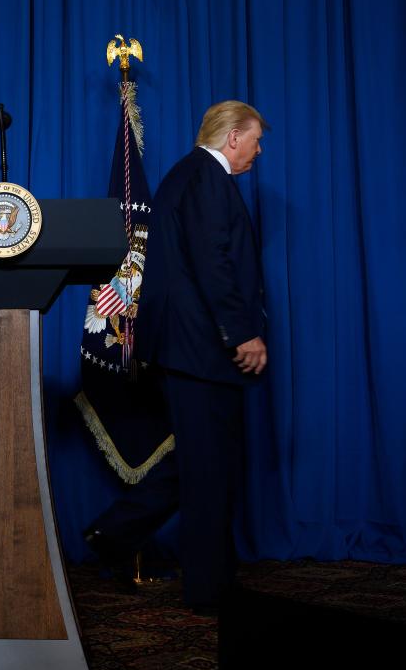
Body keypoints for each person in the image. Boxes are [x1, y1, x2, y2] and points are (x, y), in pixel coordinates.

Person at [83, 100, 268, 614]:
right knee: (210, 471)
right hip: (202, 349)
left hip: (185, 350)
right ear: (232, 137)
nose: (258, 151)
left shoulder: (181, 177)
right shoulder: (207, 179)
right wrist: (241, 333)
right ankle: (210, 593)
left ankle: (113, 534)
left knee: (200, 462)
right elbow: (214, 264)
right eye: (255, 140)